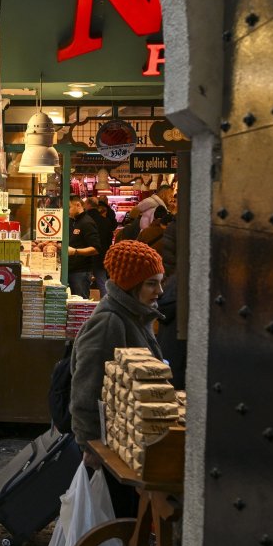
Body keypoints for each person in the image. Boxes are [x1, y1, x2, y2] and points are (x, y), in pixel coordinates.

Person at [69, 240, 166, 518]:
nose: (159, 291)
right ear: (131, 286)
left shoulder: (134, 315)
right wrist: (90, 444)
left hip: (126, 442)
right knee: (116, 515)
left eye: (160, 282)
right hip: (111, 450)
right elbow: (86, 388)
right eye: (151, 284)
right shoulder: (110, 321)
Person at [66, 197, 101, 299]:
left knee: (80, 302)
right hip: (69, 269)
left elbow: (96, 249)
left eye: (69, 207)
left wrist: (75, 251)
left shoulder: (87, 222)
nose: (67, 211)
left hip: (81, 271)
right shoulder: (72, 221)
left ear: (78, 205)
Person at [86, 197, 117, 296]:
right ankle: (106, 301)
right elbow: (109, 239)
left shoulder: (84, 219)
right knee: (102, 281)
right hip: (101, 255)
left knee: (84, 281)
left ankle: (84, 302)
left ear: (88, 205)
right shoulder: (105, 221)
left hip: (84, 255)